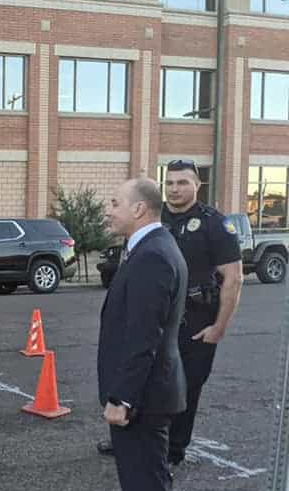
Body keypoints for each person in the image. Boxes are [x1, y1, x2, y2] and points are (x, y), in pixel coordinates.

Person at [97, 160, 242, 466]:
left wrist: (219, 327)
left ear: (197, 186)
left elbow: (233, 278)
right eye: (171, 183)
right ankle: (132, 437)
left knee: (184, 389)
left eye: (183, 183)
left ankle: (172, 452)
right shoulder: (154, 220)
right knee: (143, 377)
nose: (175, 189)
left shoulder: (214, 223)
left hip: (196, 321)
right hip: (156, 318)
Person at [85, 177, 187, 491]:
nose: (108, 209)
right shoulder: (149, 248)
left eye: (114, 202)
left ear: (140, 209)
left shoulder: (153, 256)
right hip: (149, 390)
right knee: (144, 484)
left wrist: (121, 397)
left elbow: (144, 334)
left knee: (147, 485)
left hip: (143, 396)